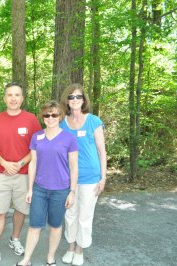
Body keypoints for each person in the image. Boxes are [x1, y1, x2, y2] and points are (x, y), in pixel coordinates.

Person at [0, 82, 42, 266]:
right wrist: (5, 163)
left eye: (17, 95)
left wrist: (20, 163)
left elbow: (36, 147)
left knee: (21, 210)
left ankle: (14, 239)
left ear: (22, 98)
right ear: (4, 98)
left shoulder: (31, 119)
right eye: (10, 95)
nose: (13, 98)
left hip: (24, 173)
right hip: (1, 173)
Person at [16, 101, 78, 266]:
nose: (50, 118)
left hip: (61, 190)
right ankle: (26, 259)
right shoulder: (37, 137)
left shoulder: (69, 138)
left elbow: (74, 166)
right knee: (34, 226)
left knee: (55, 226)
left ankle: (50, 258)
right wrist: (30, 189)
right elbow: (33, 163)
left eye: (54, 115)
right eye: (46, 115)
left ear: (60, 116)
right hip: (40, 189)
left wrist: (72, 191)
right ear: (42, 117)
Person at [59, 83, 107, 266]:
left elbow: (102, 151)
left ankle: (80, 249)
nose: (75, 100)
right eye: (71, 97)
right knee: (70, 214)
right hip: (69, 178)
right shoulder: (62, 122)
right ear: (66, 100)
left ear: (84, 99)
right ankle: (70, 247)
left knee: (85, 216)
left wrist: (103, 178)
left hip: (90, 178)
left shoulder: (94, 121)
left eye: (78, 96)